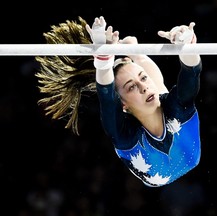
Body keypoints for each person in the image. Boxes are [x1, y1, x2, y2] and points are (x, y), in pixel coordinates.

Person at [35, 16, 202, 187]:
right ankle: (130, 52)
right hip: (167, 148)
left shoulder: (176, 107)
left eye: (144, 77)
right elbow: (108, 97)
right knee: (156, 89)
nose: (143, 87)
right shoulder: (126, 135)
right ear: (123, 104)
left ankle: (134, 53)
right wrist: (103, 61)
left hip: (163, 110)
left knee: (157, 89)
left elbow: (191, 73)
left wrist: (187, 46)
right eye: (131, 88)